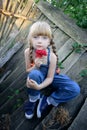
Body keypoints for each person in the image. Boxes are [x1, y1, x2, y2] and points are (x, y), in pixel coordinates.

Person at [24, 21, 80, 119]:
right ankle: (33, 100)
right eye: (35, 37)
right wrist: (36, 66)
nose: (39, 41)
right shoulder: (28, 52)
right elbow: (28, 70)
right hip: (38, 75)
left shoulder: (52, 57)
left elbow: (50, 78)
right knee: (34, 75)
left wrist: (39, 87)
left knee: (75, 89)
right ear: (30, 39)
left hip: (52, 77)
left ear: (49, 41)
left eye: (44, 38)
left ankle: (48, 100)